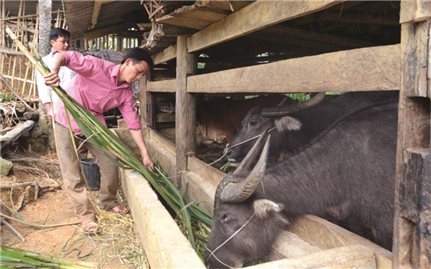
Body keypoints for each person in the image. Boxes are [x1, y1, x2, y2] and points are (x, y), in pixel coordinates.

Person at [43, 47, 155, 235]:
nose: (138, 78)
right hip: (67, 118)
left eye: (142, 75)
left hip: (94, 125)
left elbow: (133, 124)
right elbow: (66, 56)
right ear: (128, 63)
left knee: (111, 162)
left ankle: (108, 201)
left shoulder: (125, 93)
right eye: (138, 72)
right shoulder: (97, 67)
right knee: (72, 171)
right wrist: (54, 70)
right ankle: (86, 216)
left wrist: (145, 154)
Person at [36, 28, 75, 120]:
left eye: (68, 42)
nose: (66, 45)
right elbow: (43, 89)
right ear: (53, 42)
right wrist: (49, 109)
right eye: (63, 42)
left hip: (75, 107)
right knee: (62, 133)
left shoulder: (73, 61)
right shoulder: (44, 63)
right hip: (57, 109)